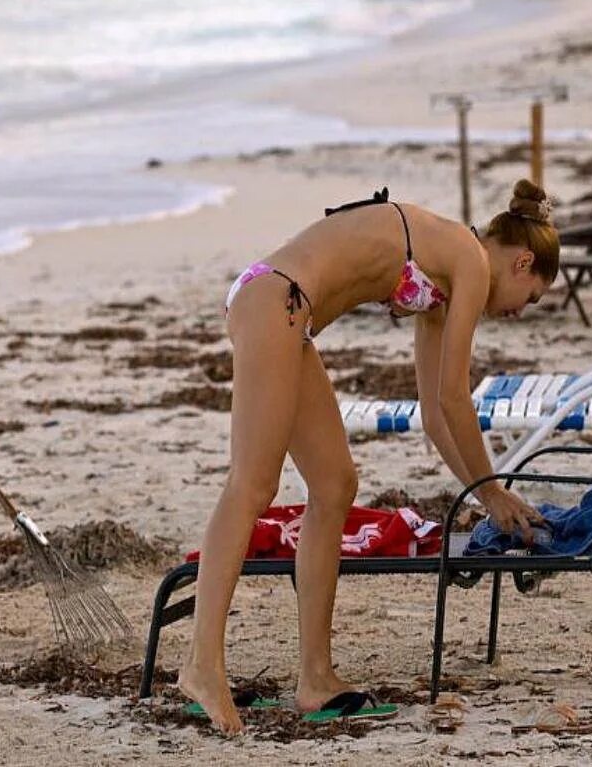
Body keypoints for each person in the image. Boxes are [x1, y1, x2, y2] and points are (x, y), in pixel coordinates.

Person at [178, 180, 559, 733]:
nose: (520, 312)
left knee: (335, 485)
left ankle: (315, 678)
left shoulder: (445, 281)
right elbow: (457, 395)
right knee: (253, 486)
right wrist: (493, 491)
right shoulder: (472, 261)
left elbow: (434, 412)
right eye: (532, 298)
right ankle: (201, 665)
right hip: (275, 300)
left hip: (287, 314)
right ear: (522, 262)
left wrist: (483, 491)